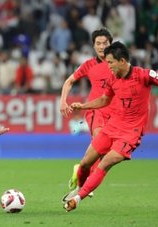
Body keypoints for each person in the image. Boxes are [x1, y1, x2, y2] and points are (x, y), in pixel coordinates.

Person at [63, 41, 158, 212]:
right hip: (112, 127)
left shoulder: (144, 75)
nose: (108, 66)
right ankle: (79, 189)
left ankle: (77, 198)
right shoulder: (113, 79)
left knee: (105, 163)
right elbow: (105, 100)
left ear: (122, 61)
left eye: (110, 62)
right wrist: (83, 106)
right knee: (84, 164)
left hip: (131, 133)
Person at [60, 28, 115, 192]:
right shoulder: (89, 65)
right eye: (98, 43)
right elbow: (69, 81)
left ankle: (82, 172)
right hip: (95, 111)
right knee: (100, 140)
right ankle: (85, 183)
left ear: (111, 44)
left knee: (105, 153)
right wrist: (63, 101)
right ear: (93, 46)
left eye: (105, 43)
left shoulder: (120, 63)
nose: (101, 46)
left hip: (114, 114)